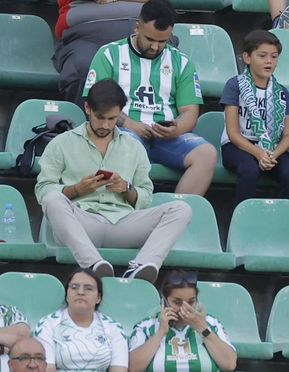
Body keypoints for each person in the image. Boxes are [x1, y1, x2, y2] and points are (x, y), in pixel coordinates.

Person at [37, 78, 193, 282]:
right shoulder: (61, 143)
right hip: (81, 222)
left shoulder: (133, 146)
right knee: (52, 200)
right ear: (87, 108)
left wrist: (127, 188)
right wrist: (76, 189)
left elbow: (146, 196)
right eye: (100, 117)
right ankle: (92, 264)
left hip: (123, 223)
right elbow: (42, 191)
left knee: (182, 209)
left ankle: (142, 265)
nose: (105, 125)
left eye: (112, 118)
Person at [80, 0, 214, 197]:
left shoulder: (182, 62)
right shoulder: (109, 54)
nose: (155, 46)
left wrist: (176, 128)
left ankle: (177, 215)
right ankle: (124, 215)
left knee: (207, 154)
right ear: (137, 27)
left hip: (166, 138)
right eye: (150, 39)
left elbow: (190, 111)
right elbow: (97, 106)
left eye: (162, 41)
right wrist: (132, 124)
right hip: (124, 131)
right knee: (127, 144)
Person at [220, 29, 289, 207]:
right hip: (238, 146)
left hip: (272, 149)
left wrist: (273, 154)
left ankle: (285, 222)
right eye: (262, 56)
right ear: (247, 58)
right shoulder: (235, 85)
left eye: (274, 56)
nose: (269, 61)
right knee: (249, 170)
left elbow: (288, 135)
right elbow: (233, 133)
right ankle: (242, 221)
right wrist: (258, 153)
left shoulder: (281, 92)